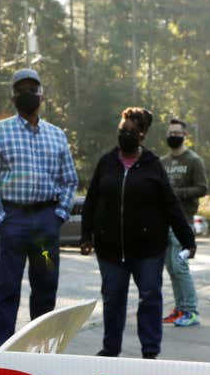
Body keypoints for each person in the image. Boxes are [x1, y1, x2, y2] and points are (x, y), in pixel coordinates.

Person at [80, 108, 196, 359]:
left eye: (132, 131)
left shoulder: (153, 165)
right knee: (113, 299)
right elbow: (91, 201)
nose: (126, 135)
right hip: (110, 248)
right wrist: (86, 235)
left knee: (150, 297)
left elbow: (171, 204)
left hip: (148, 249)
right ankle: (111, 349)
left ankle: (150, 351)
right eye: (123, 130)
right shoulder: (106, 162)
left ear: (142, 135)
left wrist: (187, 238)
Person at [0, 68, 78, 349]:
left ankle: (42, 348)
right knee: (7, 287)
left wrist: (58, 215)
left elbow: (69, 180)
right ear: (13, 96)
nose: (27, 94)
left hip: (45, 228)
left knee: (46, 286)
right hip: (15, 223)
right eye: (21, 89)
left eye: (32, 89)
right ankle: (0, 350)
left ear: (42, 95)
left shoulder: (57, 135)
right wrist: (1, 218)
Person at [159, 118, 206, 328]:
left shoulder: (194, 160)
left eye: (177, 132)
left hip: (183, 220)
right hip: (164, 220)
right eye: (170, 132)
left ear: (184, 135)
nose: (173, 135)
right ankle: (179, 309)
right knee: (171, 266)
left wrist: (177, 194)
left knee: (180, 266)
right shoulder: (163, 162)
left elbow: (202, 188)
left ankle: (191, 310)